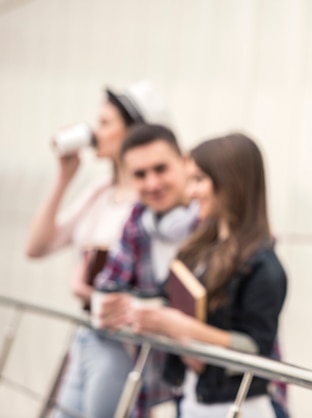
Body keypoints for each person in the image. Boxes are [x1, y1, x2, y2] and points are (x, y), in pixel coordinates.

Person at [24, 81, 170, 418]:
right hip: (86, 335)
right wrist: (64, 177)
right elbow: (37, 246)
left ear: (135, 131)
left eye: (105, 123)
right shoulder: (100, 190)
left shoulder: (148, 201)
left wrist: (88, 291)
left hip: (122, 346)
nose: (94, 132)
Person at [129, 133, 288, 418]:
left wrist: (180, 327)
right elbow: (166, 300)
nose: (190, 193)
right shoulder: (197, 248)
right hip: (191, 400)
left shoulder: (264, 266)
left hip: (238, 408)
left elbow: (256, 351)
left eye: (199, 180)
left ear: (230, 183)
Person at [93, 123, 198, 417]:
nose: (152, 183)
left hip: (221, 392)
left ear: (185, 163)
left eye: (160, 169)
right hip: (157, 385)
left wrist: (141, 307)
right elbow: (105, 296)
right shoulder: (137, 220)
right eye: (140, 175)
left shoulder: (213, 218)